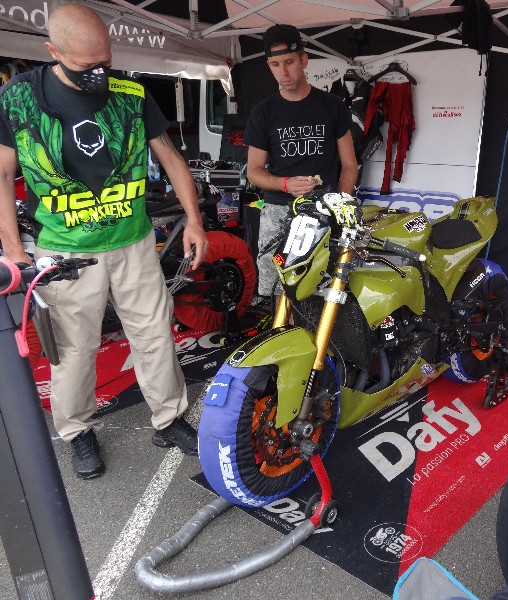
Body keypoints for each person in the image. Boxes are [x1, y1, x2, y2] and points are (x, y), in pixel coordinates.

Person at [0, 3, 209, 479]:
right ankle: (77, 429)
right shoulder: (19, 98)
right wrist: (13, 250)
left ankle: (169, 417)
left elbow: (170, 157)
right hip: (65, 250)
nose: (99, 74)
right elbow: (3, 174)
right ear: (53, 51)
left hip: (133, 241)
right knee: (74, 349)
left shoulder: (130, 93)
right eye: (86, 65)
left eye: (106, 61)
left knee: (154, 334)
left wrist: (195, 220)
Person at [244, 24, 358, 299]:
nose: (283, 72)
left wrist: (339, 205)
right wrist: (284, 184)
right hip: (278, 212)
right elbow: (254, 172)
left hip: (323, 211)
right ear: (268, 65)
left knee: (321, 291)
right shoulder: (263, 113)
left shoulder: (332, 105)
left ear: (304, 60)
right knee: (278, 292)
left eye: (289, 62)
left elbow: (350, 165)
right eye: (275, 65)